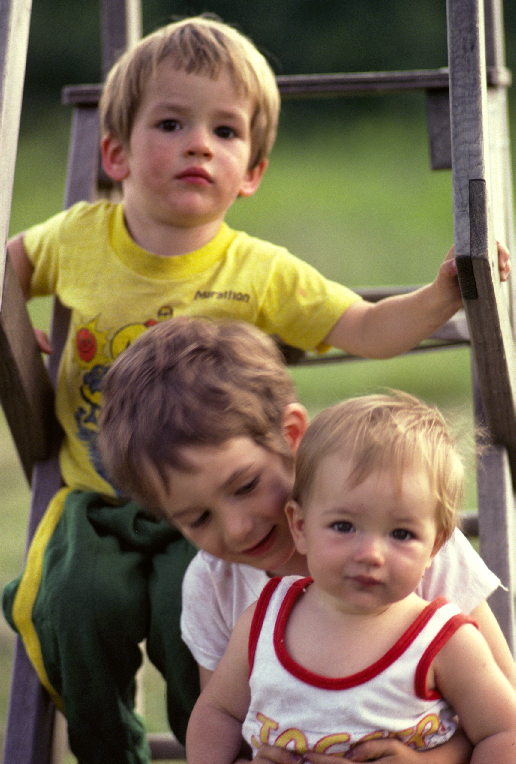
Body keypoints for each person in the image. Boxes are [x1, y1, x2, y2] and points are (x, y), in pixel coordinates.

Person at [1, 11, 510, 764]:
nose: (198, 144)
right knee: (69, 602)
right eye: (170, 124)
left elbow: (363, 325)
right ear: (114, 152)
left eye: (225, 131)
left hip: (187, 508)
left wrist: (441, 298)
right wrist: (16, 330)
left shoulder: (260, 273)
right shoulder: (77, 236)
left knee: (180, 603)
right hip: (108, 485)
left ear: (254, 171)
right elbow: (10, 267)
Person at [98, 317, 516, 764]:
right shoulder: (218, 587)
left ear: (291, 434)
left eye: (245, 485)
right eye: (197, 518)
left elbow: (503, 721)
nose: (237, 528)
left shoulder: (413, 550)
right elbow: (224, 717)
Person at [185, 391, 516, 764]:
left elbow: (504, 732)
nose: (371, 554)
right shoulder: (262, 622)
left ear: (435, 547)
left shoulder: (443, 642)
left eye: (401, 534)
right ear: (300, 527)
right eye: (343, 526)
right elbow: (218, 713)